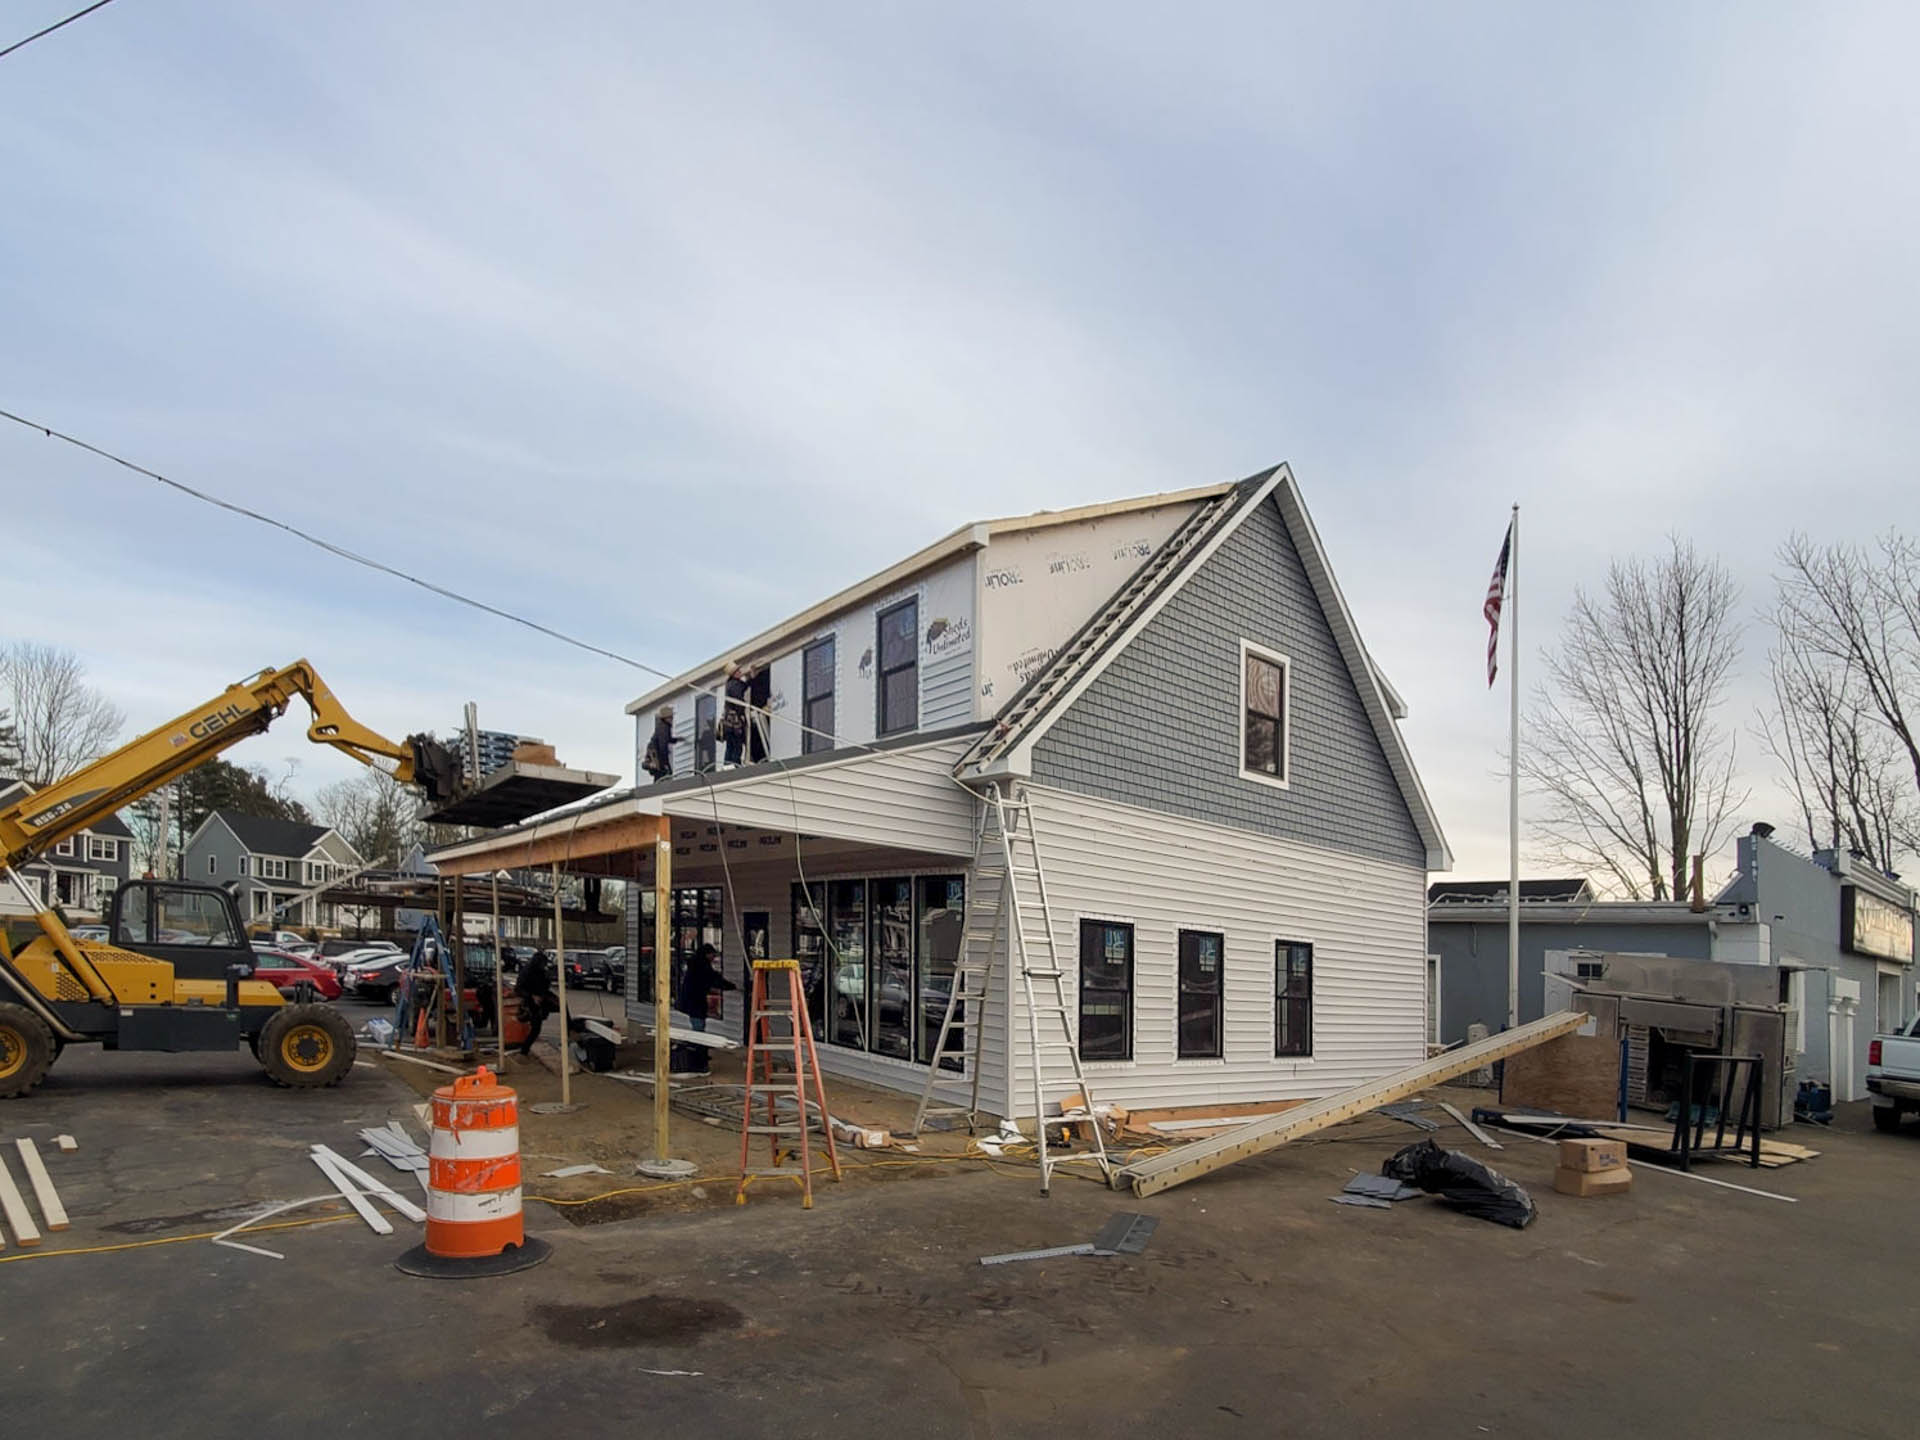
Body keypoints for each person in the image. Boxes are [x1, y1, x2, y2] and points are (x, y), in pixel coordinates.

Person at [677, 942, 736, 1073]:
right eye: (712, 955)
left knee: (698, 1027)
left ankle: (699, 1055)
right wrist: (730, 986)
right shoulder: (701, 966)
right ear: (707, 954)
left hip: (692, 1001)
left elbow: (712, 977)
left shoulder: (696, 964)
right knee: (698, 1029)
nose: (714, 958)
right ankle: (698, 1058)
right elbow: (713, 978)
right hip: (695, 1002)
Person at [512, 947, 558, 1056]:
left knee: (561, 1004)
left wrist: (548, 979)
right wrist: (532, 996)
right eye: (542, 963)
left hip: (542, 996)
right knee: (536, 1028)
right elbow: (518, 989)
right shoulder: (527, 971)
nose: (544, 966)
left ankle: (570, 1027)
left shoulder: (542, 971)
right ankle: (524, 1051)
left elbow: (545, 985)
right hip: (530, 1001)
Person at [719, 664, 751, 769]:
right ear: (734, 674)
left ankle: (727, 766)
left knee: (730, 745)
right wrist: (742, 715)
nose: (740, 672)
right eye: (738, 671)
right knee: (737, 744)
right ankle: (735, 766)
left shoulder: (729, 684)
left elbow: (743, 686)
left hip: (727, 721)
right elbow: (738, 702)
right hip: (734, 720)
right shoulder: (735, 685)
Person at [642, 705, 675, 781]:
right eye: (671, 717)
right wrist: (665, 763)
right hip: (657, 755)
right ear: (666, 718)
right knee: (663, 773)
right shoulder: (664, 727)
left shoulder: (662, 726)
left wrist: (676, 740)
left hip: (655, 753)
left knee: (659, 775)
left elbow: (667, 739)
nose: (672, 719)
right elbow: (663, 746)